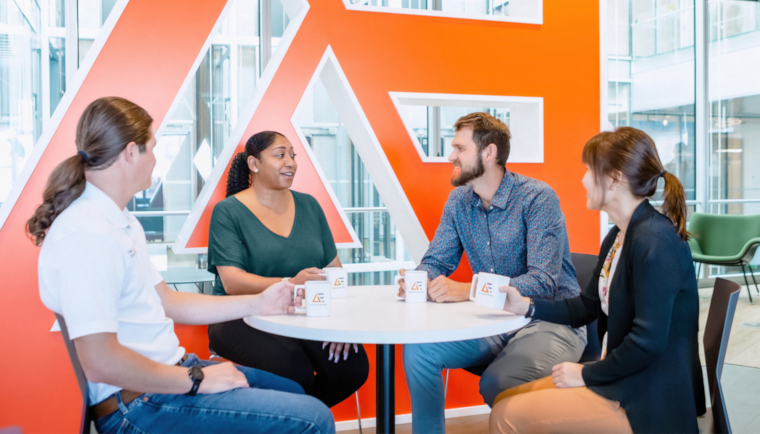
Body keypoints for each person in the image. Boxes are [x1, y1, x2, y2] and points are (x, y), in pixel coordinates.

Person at [30, 97, 335, 434]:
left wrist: (259, 303)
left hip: (166, 377)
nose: (156, 159)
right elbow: (100, 361)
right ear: (131, 153)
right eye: (152, 148)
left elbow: (169, 302)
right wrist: (197, 379)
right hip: (137, 404)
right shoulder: (86, 234)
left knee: (292, 390)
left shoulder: (120, 222)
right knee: (314, 418)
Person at [491, 127, 705, 433]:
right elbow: (585, 307)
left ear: (615, 179)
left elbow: (647, 343)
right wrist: (526, 305)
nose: (583, 180)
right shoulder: (618, 236)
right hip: (621, 379)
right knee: (504, 398)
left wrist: (586, 375)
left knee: (505, 415)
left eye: (589, 171)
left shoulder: (656, 241)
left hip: (647, 398)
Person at [399, 112, 587, 433]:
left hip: (550, 320)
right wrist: (417, 280)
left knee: (496, 382)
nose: (451, 156)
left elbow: (541, 282)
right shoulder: (459, 201)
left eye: (460, 148)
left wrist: (469, 290)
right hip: (494, 321)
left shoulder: (537, 197)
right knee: (420, 350)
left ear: (489, 153)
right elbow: (437, 261)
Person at [206, 131, 369, 407]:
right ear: (254, 164)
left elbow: (334, 271)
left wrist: (341, 324)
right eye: (280, 155)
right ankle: (295, 419)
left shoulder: (309, 205)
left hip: (302, 312)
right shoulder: (227, 211)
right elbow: (232, 282)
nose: (290, 162)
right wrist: (290, 283)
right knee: (294, 374)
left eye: (293, 155)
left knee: (350, 368)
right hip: (239, 314)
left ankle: (296, 419)